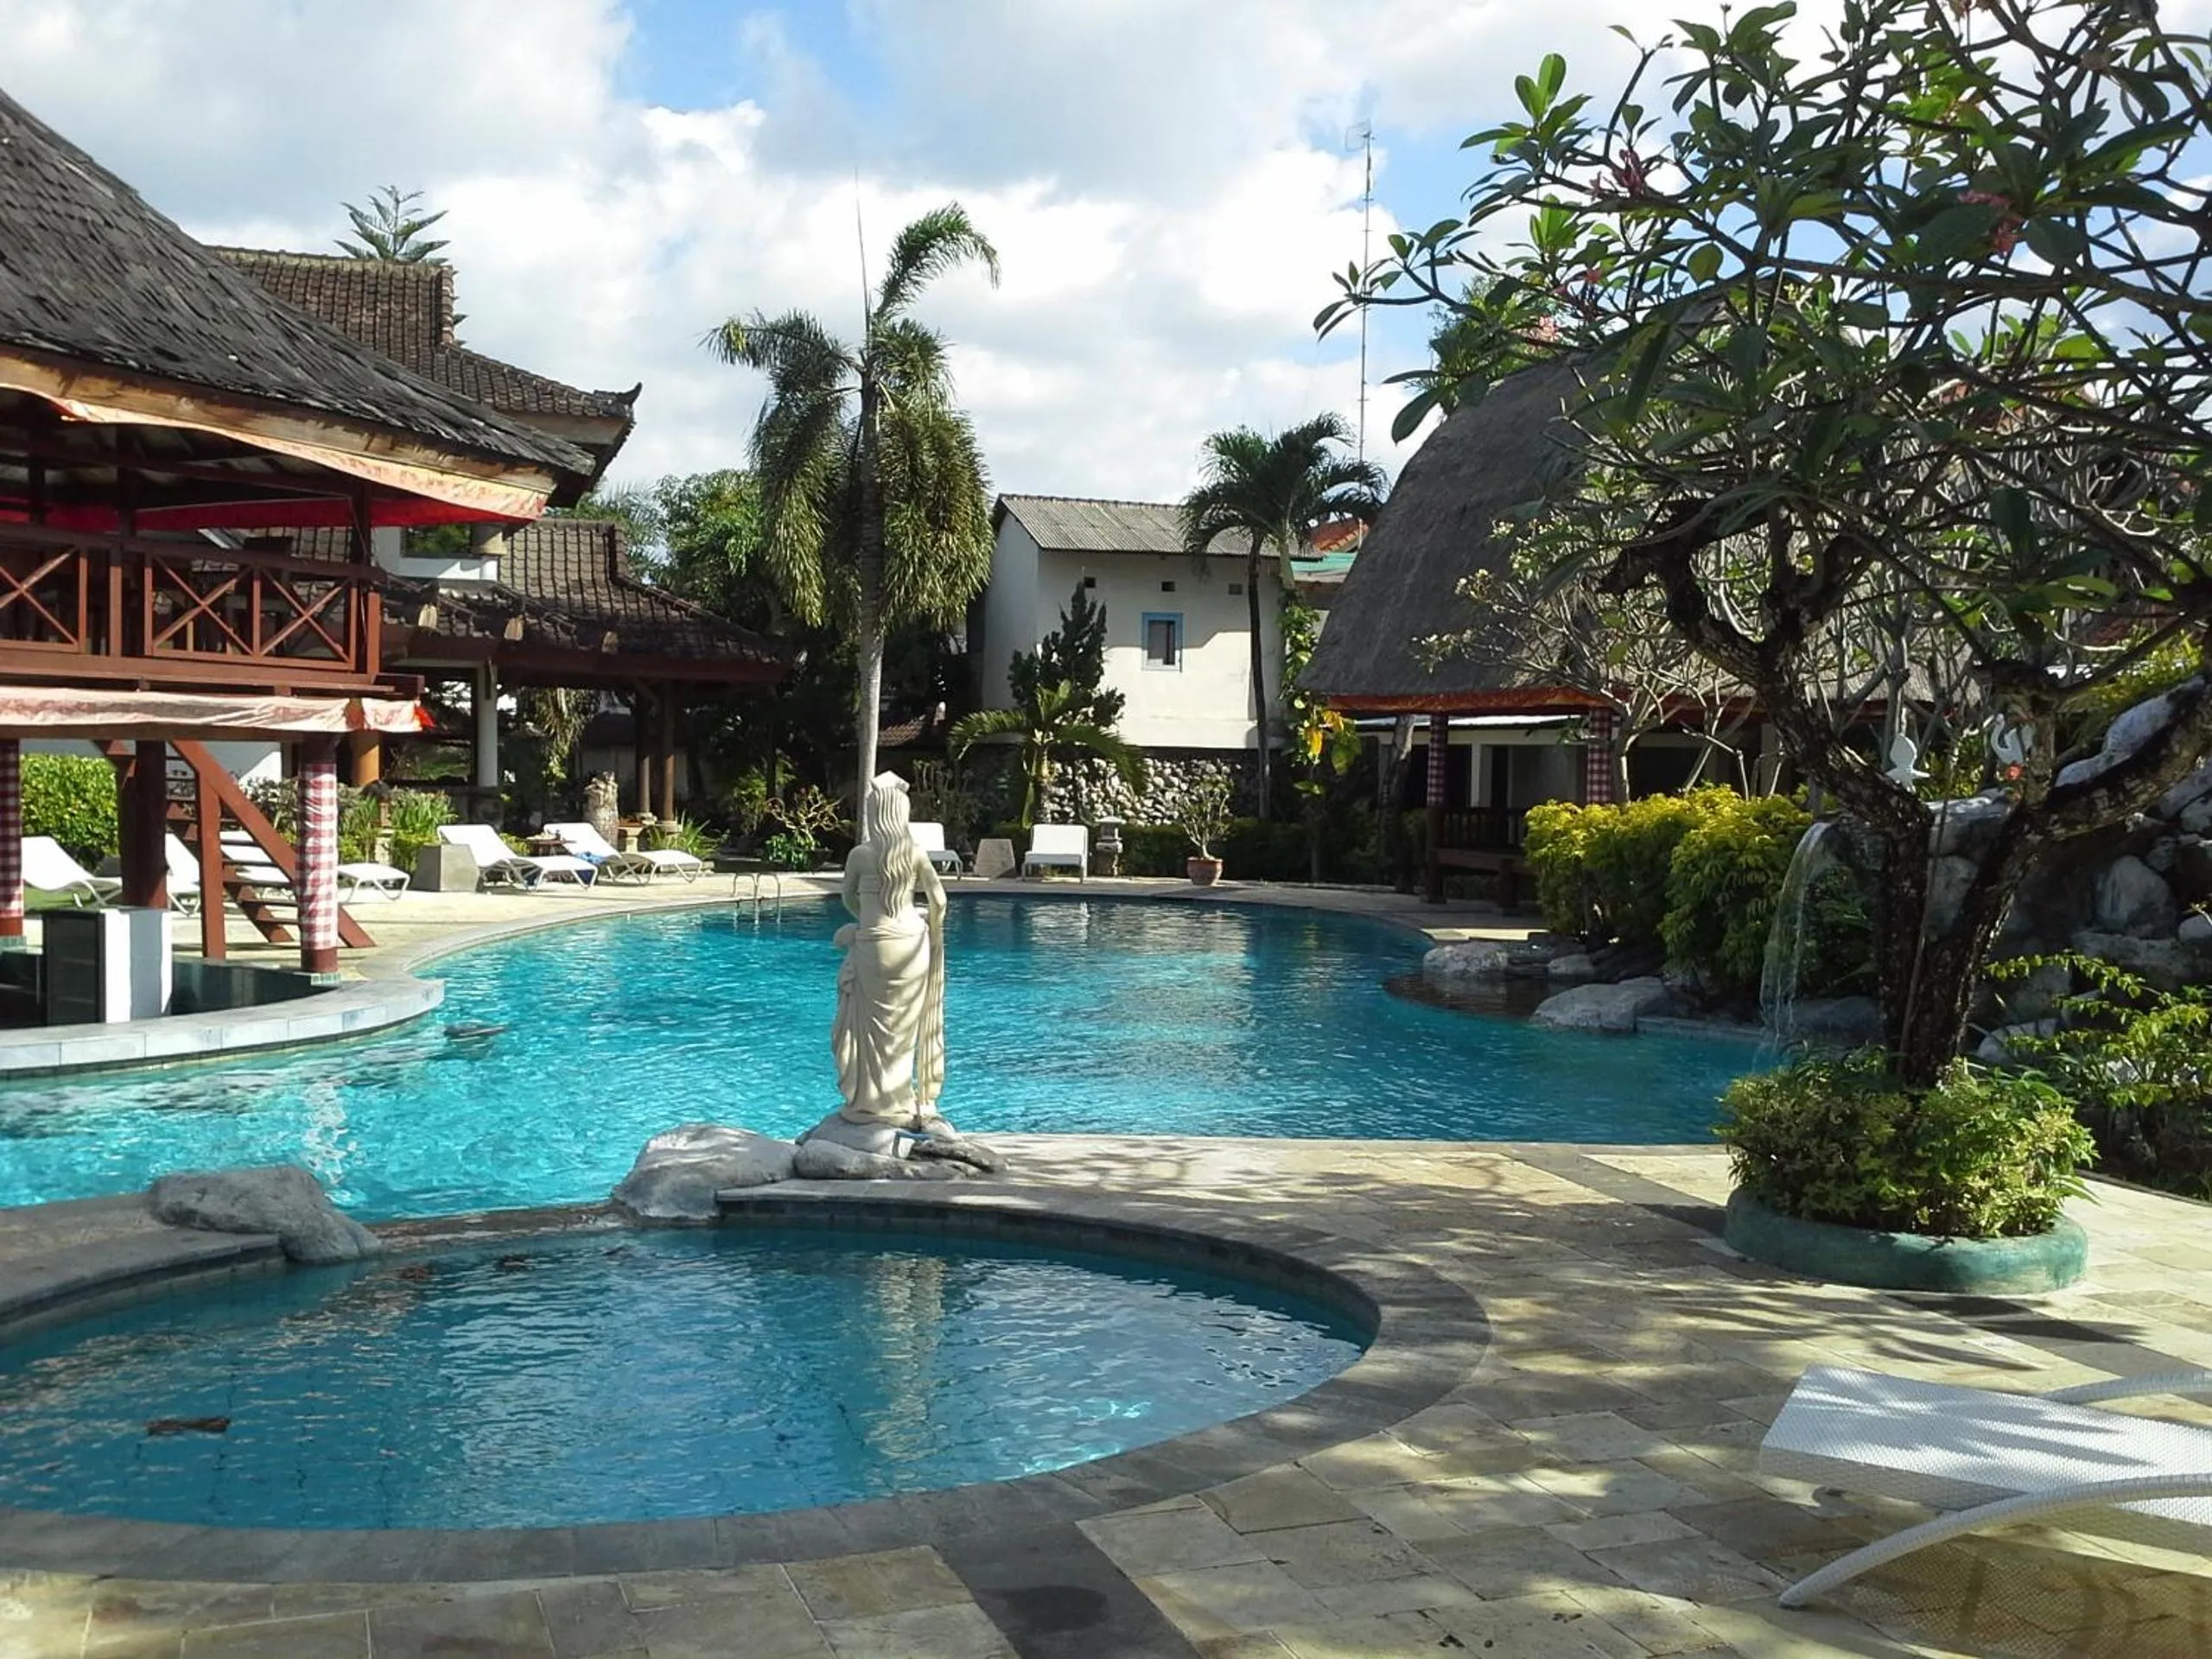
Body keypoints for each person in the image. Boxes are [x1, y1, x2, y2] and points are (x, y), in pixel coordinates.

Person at [831, 772, 947, 1128]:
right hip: (911, 945)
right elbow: (939, 900)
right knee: (904, 1030)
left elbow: (847, 897)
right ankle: (901, 1098)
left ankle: (871, 1101)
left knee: (868, 1029)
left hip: (874, 947)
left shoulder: (860, 855)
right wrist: (931, 925)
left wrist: (866, 922)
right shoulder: (913, 853)